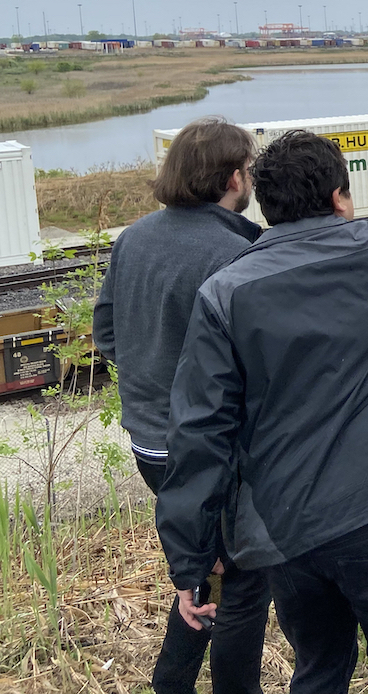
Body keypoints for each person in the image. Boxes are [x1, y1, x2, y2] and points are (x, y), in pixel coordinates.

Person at [155, 130, 368, 694]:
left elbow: (198, 435)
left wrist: (191, 563)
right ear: (338, 199)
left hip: (289, 534)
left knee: (320, 669)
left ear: (267, 205)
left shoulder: (224, 293)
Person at [93, 116, 272, 694]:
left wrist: (152, 377)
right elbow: (255, 369)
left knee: (208, 569)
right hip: (207, 453)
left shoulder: (134, 238)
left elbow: (106, 333)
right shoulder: (236, 254)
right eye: (247, 170)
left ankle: (170, 682)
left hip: (150, 446)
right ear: (233, 177)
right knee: (240, 583)